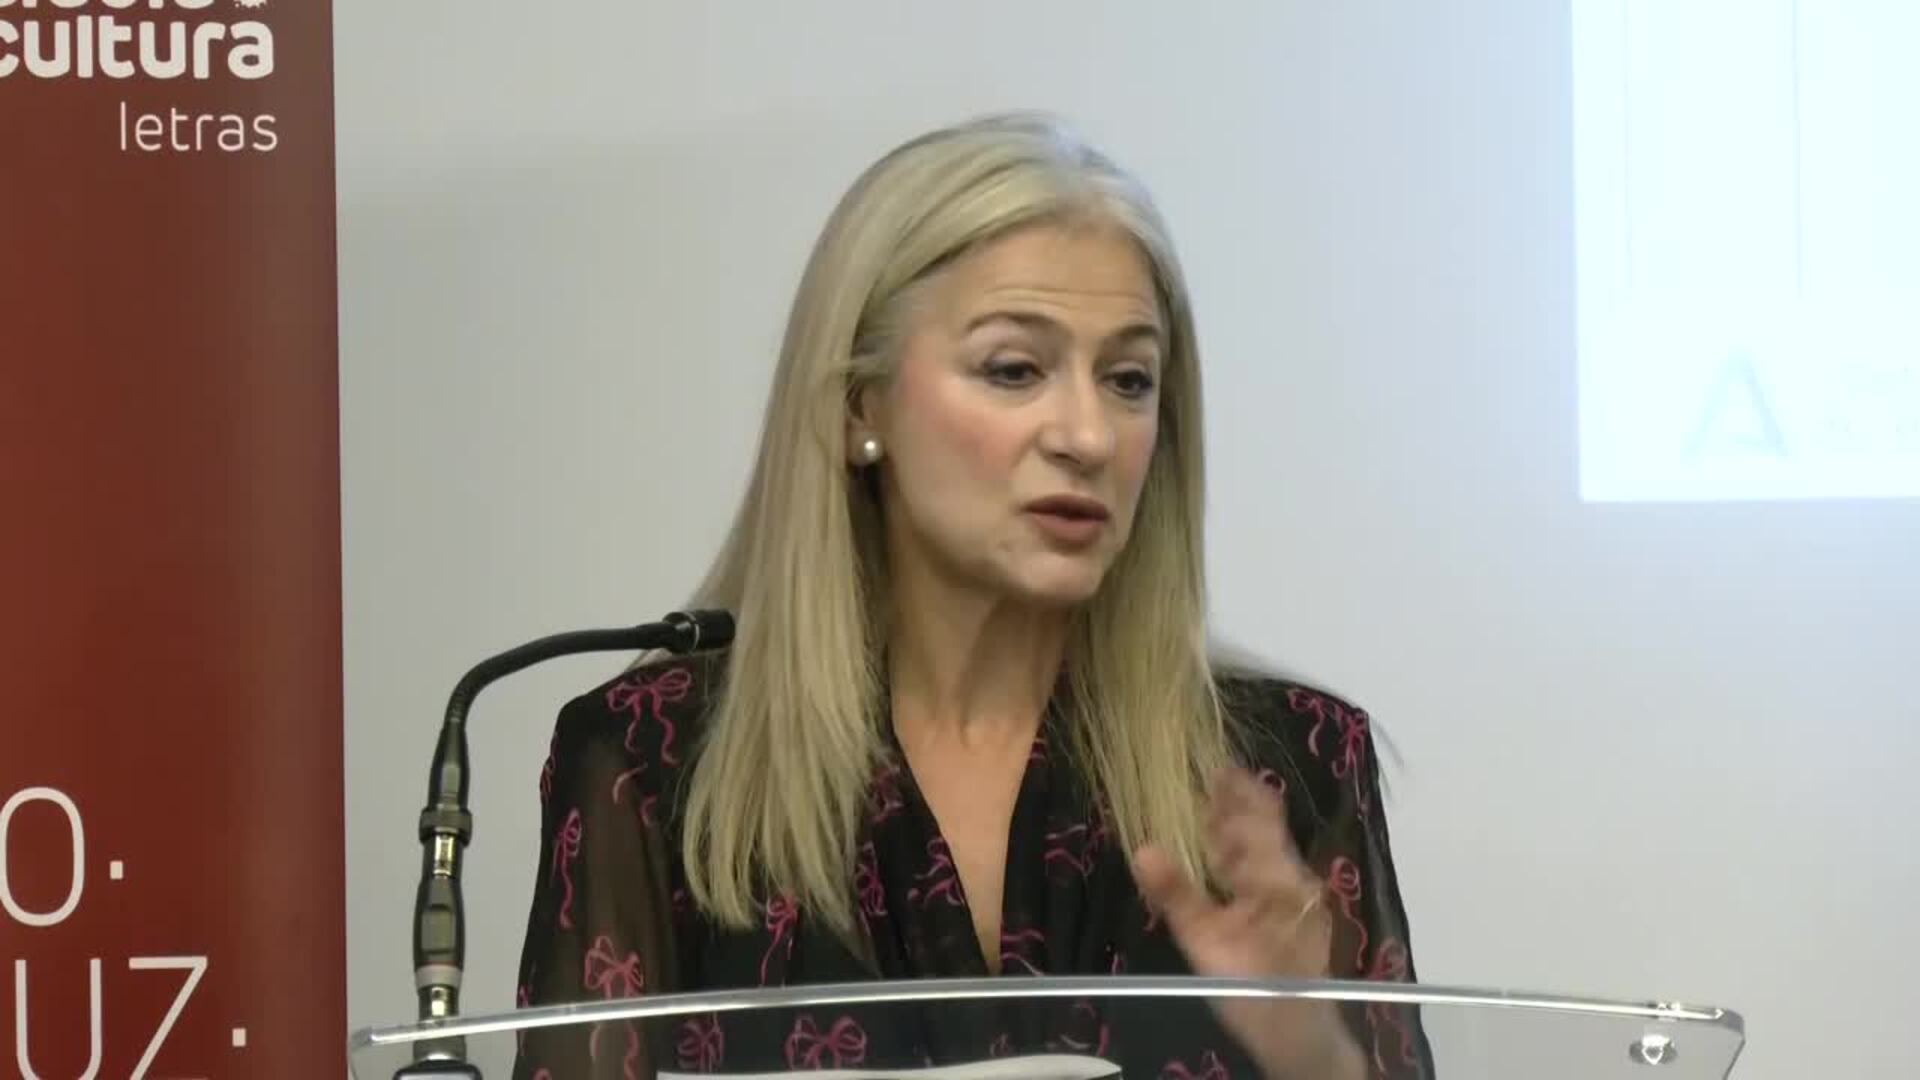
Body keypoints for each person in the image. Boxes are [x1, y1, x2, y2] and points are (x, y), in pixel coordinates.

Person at [513, 112, 1427, 1079]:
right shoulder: (655, 763)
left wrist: (1313, 1055)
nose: (1087, 436)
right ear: (860, 407)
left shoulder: (1290, 767)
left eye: (1128, 379)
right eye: (1014, 370)